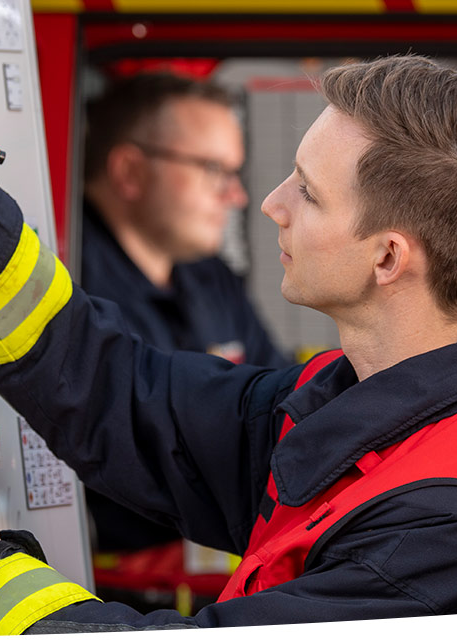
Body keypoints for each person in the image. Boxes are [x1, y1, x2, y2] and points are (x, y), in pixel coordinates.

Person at [0, 55, 457, 633]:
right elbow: (117, 395)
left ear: (387, 259)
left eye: (307, 192)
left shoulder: (454, 530)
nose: (270, 202)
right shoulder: (364, 407)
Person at [76, 72, 287, 560]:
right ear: (130, 171)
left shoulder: (210, 278)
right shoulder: (68, 278)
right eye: (214, 169)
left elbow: (282, 419)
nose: (236, 196)